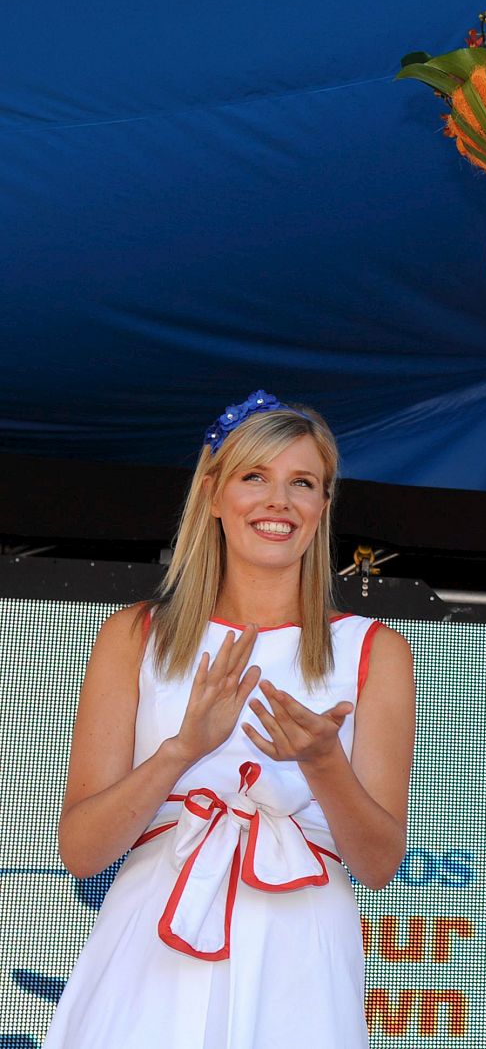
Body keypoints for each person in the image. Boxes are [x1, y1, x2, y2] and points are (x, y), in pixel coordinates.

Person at [47, 393, 416, 1048]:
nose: (279, 501)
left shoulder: (375, 649)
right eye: (255, 477)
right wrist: (180, 751)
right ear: (214, 494)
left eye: (302, 482)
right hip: (153, 951)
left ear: (323, 506)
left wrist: (323, 762)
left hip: (301, 953)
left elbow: (380, 863)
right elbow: (81, 851)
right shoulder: (135, 636)